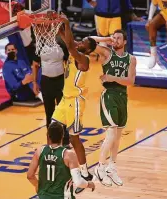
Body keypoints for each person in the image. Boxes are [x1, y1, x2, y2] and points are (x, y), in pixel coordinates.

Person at [51, 16, 97, 194]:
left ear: (89, 49)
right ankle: (56, 164)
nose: (80, 43)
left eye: (83, 43)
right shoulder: (76, 49)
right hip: (65, 99)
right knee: (53, 128)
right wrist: (58, 24)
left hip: (76, 102)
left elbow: (70, 45)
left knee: (74, 139)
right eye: (81, 41)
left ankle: (84, 174)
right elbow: (65, 38)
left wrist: (68, 23)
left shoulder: (83, 60)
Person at [89, 29, 136, 187]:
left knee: (117, 137)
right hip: (109, 96)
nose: (115, 40)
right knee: (111, 133)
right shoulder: (107, 53)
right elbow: (88, 41)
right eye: (113, 38)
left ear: (125, 42)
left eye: (118, 38)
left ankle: (112, 167)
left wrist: (111, 77)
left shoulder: (131, 59)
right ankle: (100, 167)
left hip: (123, 97)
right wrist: (106, 38)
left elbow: (130, 81)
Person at [27, 122, 95, 199]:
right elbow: (78, 182)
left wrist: (38, 186)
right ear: (62, 135)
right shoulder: (69, 155)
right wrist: (89, 184)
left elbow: (30, 175)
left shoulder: (39, 151)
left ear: (48, 136)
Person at [31, 37, 70, 146]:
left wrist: (69, 80)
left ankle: (66, 140)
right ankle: (51, 141)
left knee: (64, 111)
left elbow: (68, 62)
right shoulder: (39, 47)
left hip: (60, 81)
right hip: (46, 82)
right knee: (49, 113)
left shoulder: (61, 45)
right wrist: (34, 82)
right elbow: (35, 65)